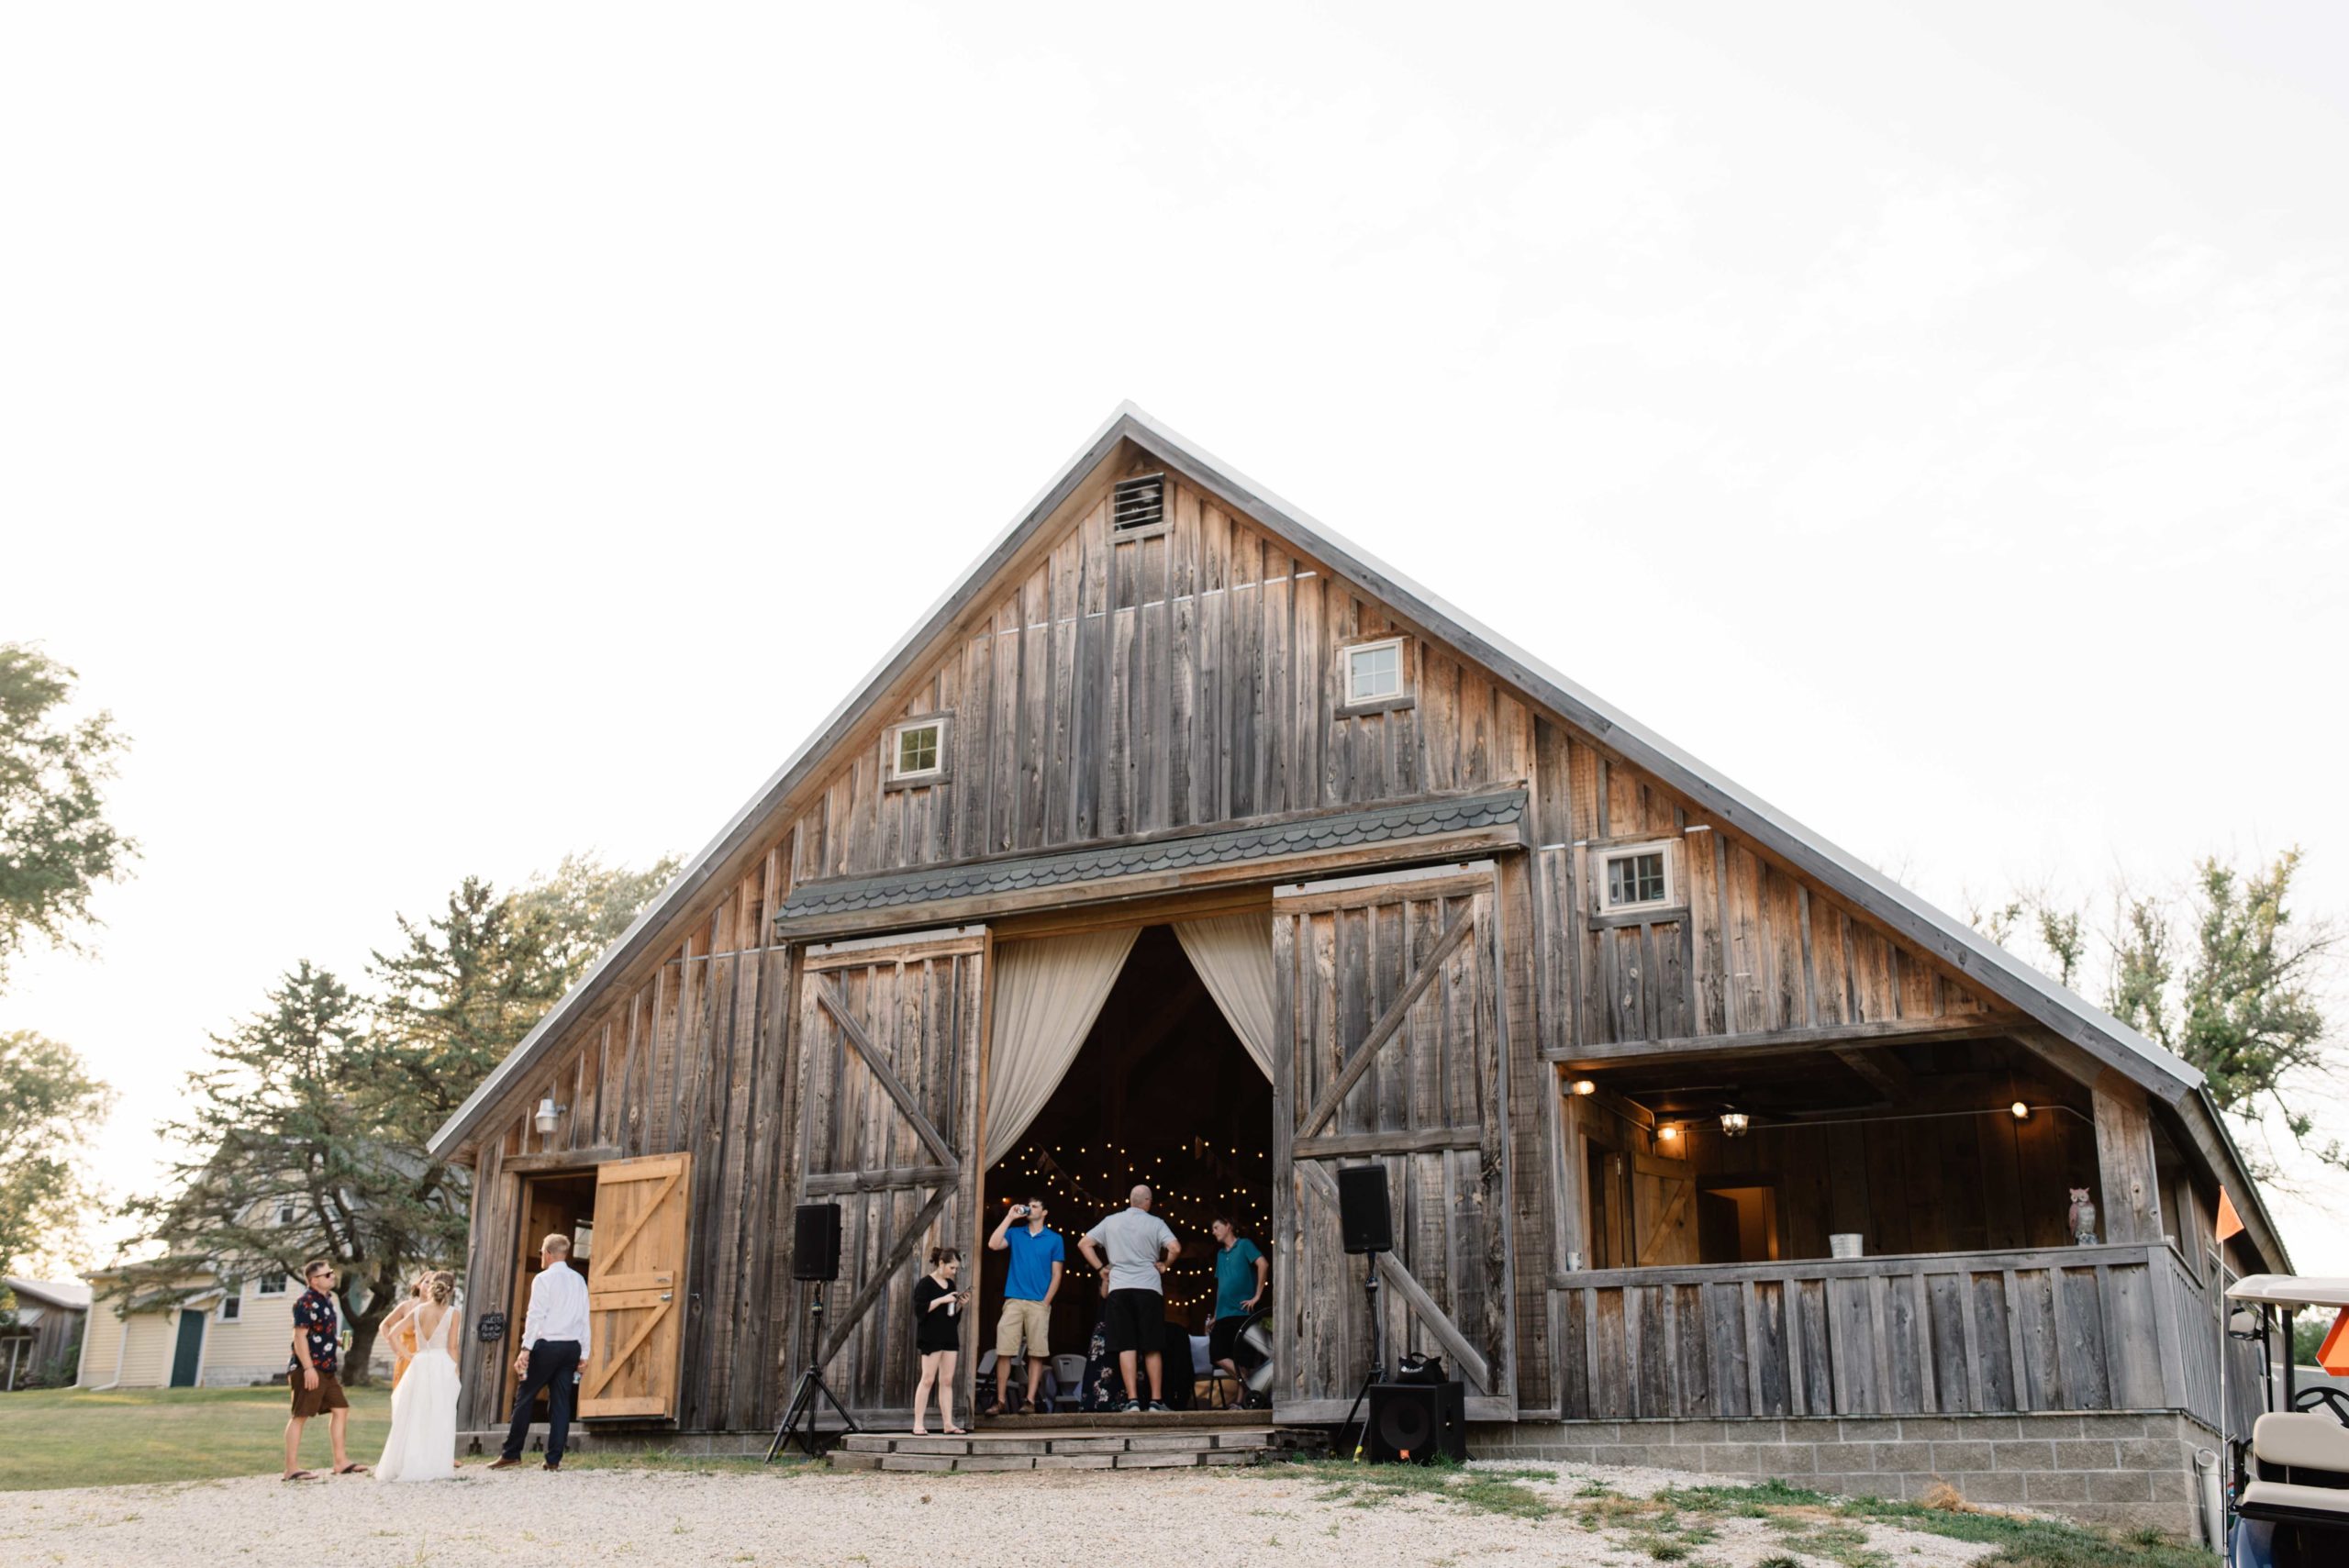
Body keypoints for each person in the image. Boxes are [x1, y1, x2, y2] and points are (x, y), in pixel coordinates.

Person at [490, 1232, 591, 1472]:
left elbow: (536, 1316)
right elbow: (584, 1318)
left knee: (525, 1396)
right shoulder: (579, 1280)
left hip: (547, 1346)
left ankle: (512, 1453)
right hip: (571, 1348)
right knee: (561, 1403)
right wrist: (584, 1353)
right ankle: (554, 1459)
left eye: (541, 1253)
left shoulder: (543, 1279)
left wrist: (526, 1349)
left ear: (547, 1253)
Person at [1077, 1184, 1180, 1414]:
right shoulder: (1155, 1223)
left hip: (1119, 1288)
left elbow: (1084, 1244)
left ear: (1130, 1200)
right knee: (1152, 1346)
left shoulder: (1111, 1221)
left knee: (1127, 1345)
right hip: (1148, 1288)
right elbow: (1175, 1247)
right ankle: (1155, 1401)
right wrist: (1165, 1264)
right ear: (1148, 1201)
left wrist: (1101, 1268)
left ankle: (1132, 1401)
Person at [282, 1258, 367, 1480]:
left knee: (341, 1409)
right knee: (300, 1415)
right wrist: (308, 1368)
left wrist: (335, 1340)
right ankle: (291, 1469)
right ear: (314, 1280)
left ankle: (340, 1462)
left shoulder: (327, 1301)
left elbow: (316, 1333)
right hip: (308, 1368)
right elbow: (299, 1336)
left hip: (327, 1368)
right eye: (327, 1274)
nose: (333, 1276)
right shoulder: (305, 1302)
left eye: (332, 1273)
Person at [375, 1270, 462, 1483]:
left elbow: (393, 1333)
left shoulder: (418, 1310)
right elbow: (452, 1346)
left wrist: (407, 1356)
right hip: (441, 1363)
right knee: (439, 1414)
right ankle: (435, 1465)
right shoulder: (453, 1313)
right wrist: (456, 1369)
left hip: (420, 1362)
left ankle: (409, 1462)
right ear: (451, 1289)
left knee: (415, 1413)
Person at [985, 1195, 1063, 1415]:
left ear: (1044, 1212)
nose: (1029, 1209)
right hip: (1014, 1300)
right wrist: (1010, 1217)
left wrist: (1046, 1302)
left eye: (1035, 1206)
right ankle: (1000, 1401)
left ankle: (1029, 1400)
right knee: (1004, 1349)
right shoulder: (1015, 1233)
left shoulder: (1054, 1239)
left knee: (1037, 1352)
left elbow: (1057, 1274)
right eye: (1028, 1205)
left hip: (1038, 1302)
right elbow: (992, 1244)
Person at [1208, 1218, 1268, 1403]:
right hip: (1224, 1313)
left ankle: (1241, 1402)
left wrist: (1257, 1295)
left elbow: (1263, 1264)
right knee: (1216, 1354)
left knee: (1242, 1359)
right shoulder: (1219, 1254)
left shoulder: (1244, 1245)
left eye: (1216, 1227)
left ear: (1228, 1226)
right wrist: (1216, 1315)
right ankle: (1247, 1381)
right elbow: (1221, 1287)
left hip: (1242, 1312)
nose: (1213, 1231)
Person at [910, 1247, 969, 1436]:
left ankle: (948, 1423)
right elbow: (920, 1310)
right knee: (928, 1379)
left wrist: (959, 1304)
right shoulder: (925, 1284)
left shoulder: (951, 1285)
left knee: (947, 1380)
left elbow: (951, 1315)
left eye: (956, 1269)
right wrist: (942, 1299)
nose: (954, 1272)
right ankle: (918, 1423)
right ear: (941, 1263)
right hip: (931, 1336)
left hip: (949, 1336)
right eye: (952, 1268)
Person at [381, 1272, 431, 1390]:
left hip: (427, 1360)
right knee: (402, 1399)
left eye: (433, 1283)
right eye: (427, 1282)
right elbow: (385, 1325)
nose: (429, 1285)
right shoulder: (406, 1306)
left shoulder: (437, 1310)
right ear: (419, 1284)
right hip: (407, 1358)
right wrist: (395, 1347)